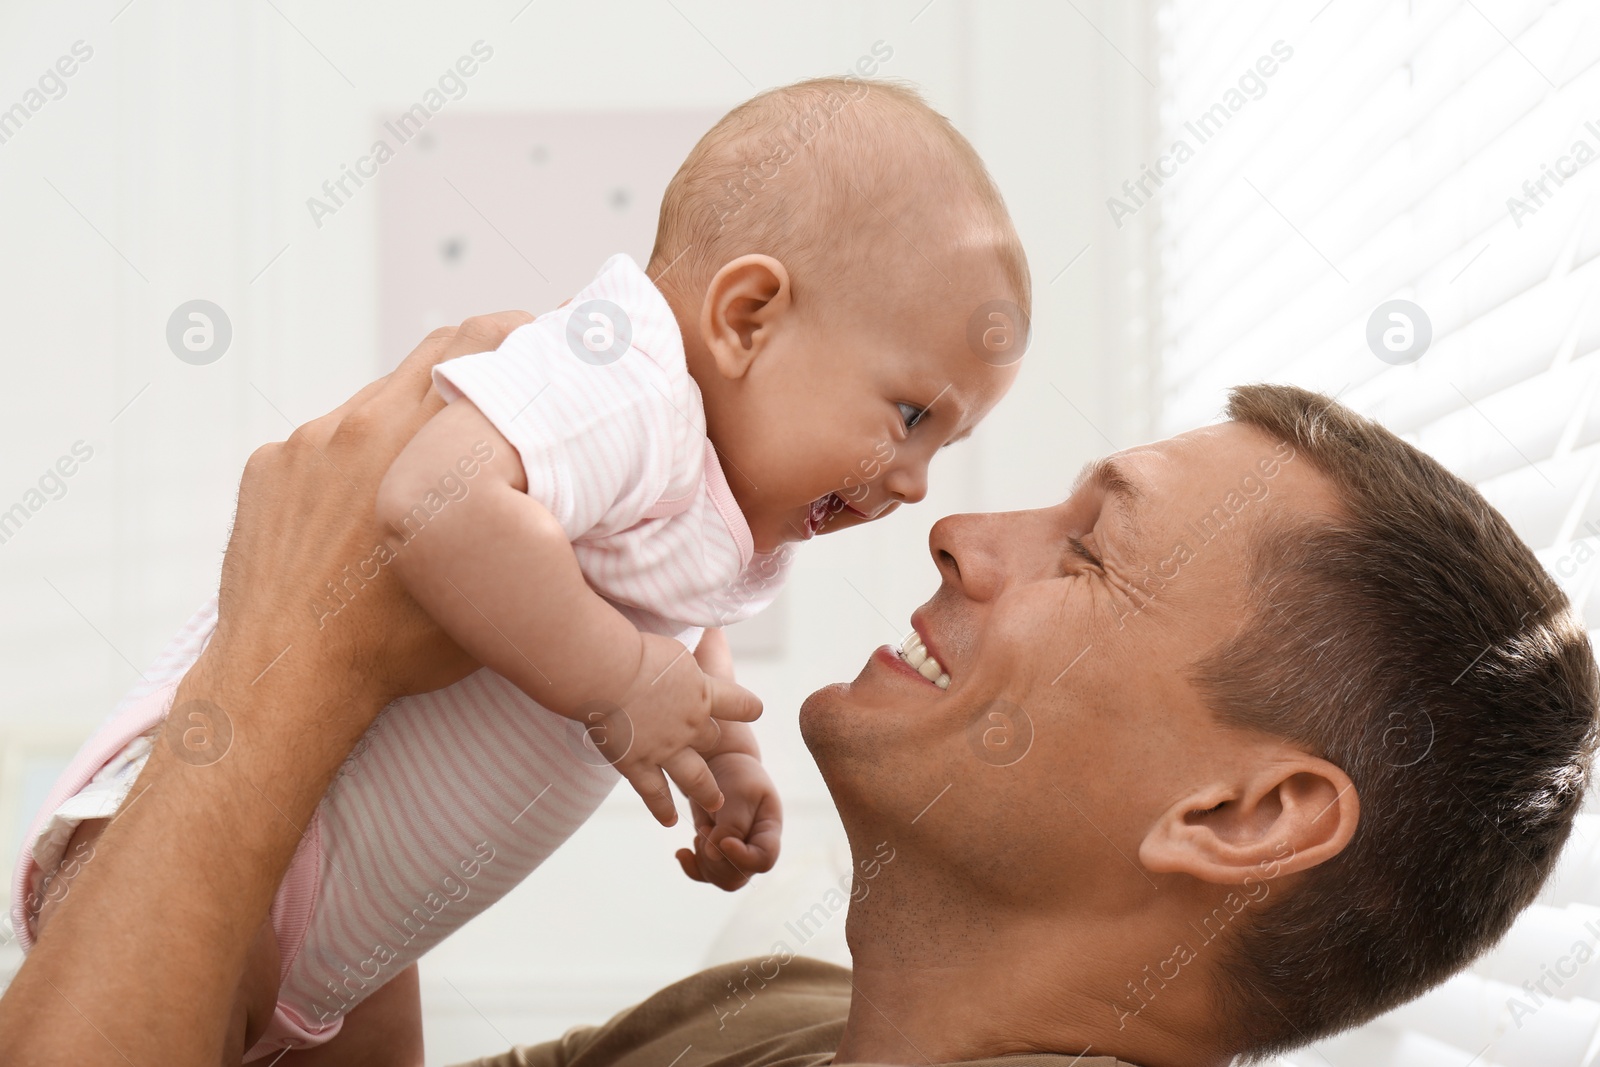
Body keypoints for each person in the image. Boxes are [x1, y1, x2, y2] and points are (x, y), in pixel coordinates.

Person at [3, 316, 1594, 1067]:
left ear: (1241, 813)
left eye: (1087, 550)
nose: (963, 529)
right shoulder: (779, 1025)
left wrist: (289, 651)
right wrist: (411, 691)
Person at [9, 78, 1028, 1061]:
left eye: (944, 442)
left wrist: (726, 761)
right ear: (748, 314)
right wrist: (621, 683)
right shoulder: (624, 381)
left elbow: (671, 610)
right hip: (250, 829)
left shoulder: (707, 482)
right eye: (909, 416)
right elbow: (431, 502)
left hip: (345, 940)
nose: (913, 482)